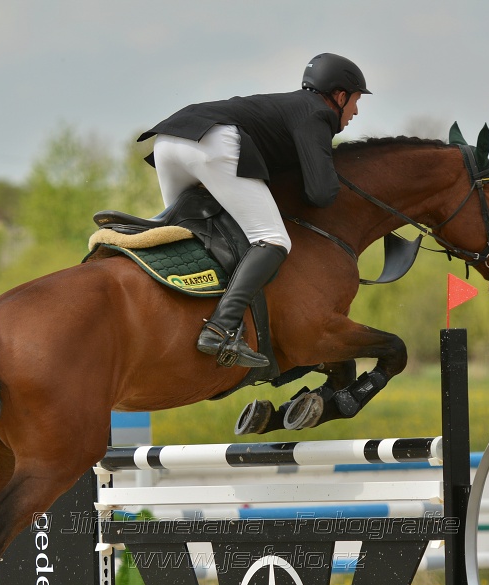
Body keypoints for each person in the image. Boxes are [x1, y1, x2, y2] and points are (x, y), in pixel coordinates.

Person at [138, 53, 370, 368]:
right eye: (356, 100)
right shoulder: (318, 113)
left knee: (186, 234)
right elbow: (320, 192)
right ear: (340, 97)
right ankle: (220, 328)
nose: (355, 111)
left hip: (169, 140)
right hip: (212, 141)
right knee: (274, 240)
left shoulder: (290, 106)